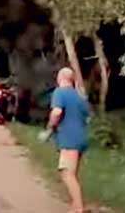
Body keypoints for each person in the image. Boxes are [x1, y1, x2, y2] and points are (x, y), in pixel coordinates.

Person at [38, 67, 90, 213]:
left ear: (60, 78)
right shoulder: (79, 96)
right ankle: (75, 206)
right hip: (81, 138)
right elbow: (87, 117)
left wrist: (49, 127)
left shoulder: (60, 92)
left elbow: (57, 112)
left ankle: (79, 208)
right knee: (72, 173)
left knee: (67, 174)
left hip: (69, 139)